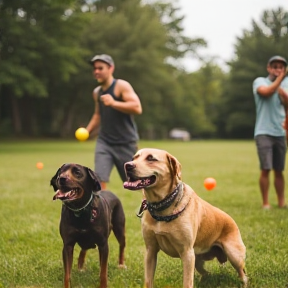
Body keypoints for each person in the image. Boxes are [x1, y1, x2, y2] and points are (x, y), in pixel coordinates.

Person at [86, 54, 142, 190]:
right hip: (104, 142)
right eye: (95, 69)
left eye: (100, 68)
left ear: (111, 68)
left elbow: (137, 108)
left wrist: (113, 103)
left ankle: (152, 208)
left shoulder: (121, 86)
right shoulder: (97, 92)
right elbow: (98, 115)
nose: (96, 71)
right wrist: (87, 130)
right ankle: (102, 209)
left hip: (125, 142)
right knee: (99, 177)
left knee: (137, 182)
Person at [252, 55, 288, 209]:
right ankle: (266, 203)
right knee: (266, 168)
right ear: (269, 68)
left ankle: (281, 202)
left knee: (279, 169)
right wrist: (280, 81)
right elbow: (265, 92)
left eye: (281, 67)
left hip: (280, 132)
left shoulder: (285, 84)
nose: (278, 69)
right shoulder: (260, 81)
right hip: (263, 132)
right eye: (275, 66)